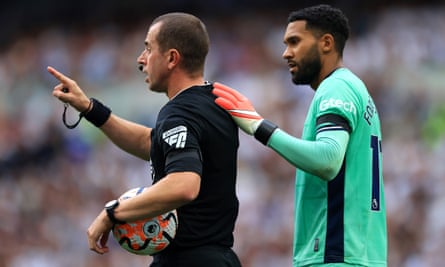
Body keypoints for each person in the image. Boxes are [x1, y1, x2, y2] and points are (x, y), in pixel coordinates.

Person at [47, 12, 242, 267]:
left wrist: (113, 213)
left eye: (148, 48)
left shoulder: (179, 112)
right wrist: (90, 108)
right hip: (220, 258)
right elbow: (152, 144)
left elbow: (184, 184)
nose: (141, 60)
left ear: (172, 58)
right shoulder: (212, 103)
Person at [212, 4, 387, 267]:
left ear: (326, 43)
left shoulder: (336, 89)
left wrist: (258, 126)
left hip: (335, 255)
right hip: (357, 255)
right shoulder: (352, 89)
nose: (285, 53)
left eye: (295, 42)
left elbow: (328, 160)